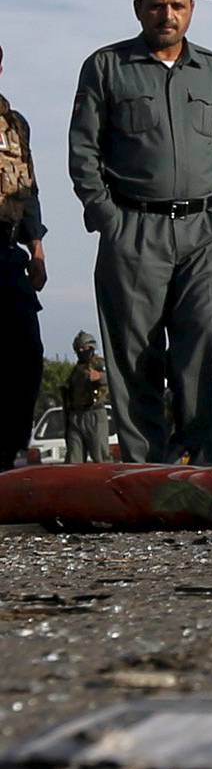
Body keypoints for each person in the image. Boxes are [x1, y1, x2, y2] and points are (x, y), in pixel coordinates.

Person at [67, 0, 212, 464]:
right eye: (157, 4)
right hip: (134, 230)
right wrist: (107, 220)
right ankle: (147, 475)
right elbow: (82, 153)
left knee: (208, 344)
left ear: (192, 9)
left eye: (178, 5)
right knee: (135, 359)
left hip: (204, 229)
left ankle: (210, 472)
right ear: (138, 8)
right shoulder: (106, 67)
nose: (168, 15)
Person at [0, 44, 47, 470]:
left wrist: (36, 246)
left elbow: (27, 188)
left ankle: (7, 451)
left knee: (25, 353)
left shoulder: (14, 125)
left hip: (4, 250)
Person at [62, 334, 112, 462]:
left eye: (83, 348)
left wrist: (100, 376)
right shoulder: (76, 369)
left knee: (101, 456)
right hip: (75, 414)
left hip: (94, 413)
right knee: (74, 458)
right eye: (78, 348)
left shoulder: (99, 363)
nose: (80, 351)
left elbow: (114, 379)